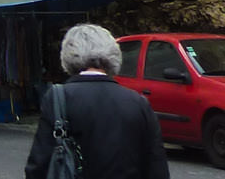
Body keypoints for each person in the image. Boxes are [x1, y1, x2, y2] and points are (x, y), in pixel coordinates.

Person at [25, 23, 169, 179]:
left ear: (68, 54)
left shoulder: (58, 98)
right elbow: (157, 167)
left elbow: (39, 164)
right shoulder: (138, 103)